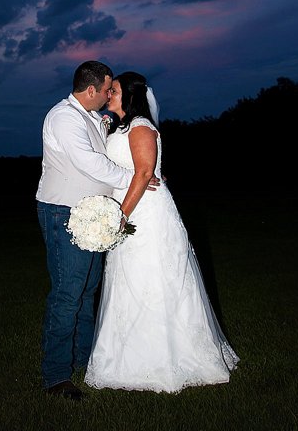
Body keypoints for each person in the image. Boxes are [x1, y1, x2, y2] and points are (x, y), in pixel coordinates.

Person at [84, 71, 239, 393]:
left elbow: (143, 173)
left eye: (113, 90)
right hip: (130, 204)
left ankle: (169, 358)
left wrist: (119, 216)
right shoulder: (119, 127)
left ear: (129, 94)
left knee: (153, 278)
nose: (107, 94)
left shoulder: (141, 127)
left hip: (146, 213)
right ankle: (126, 356)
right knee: (128, 280)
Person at [36, 61, 160, 401]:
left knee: (87, 290)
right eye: (107, 90)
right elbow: (87, 162)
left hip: (93, 215)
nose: (109, 97)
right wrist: (134, 179)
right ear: (91, 90)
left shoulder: (94, 117)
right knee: (67, 295)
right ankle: (57, 377)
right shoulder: (63, 117)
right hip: (64, 212)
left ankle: (85, 360)